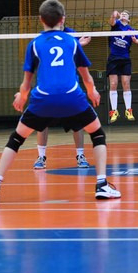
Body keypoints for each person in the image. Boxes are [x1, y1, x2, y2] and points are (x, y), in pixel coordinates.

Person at [0, 0, 121, 202]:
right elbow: (86, 77)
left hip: (42, 101)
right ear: (63, 19)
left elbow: (27, 82)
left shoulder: (34, 44)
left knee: (16, 139)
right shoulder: (72, 42)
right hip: (72, 99)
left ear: (41, 20)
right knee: (97, 134)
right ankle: (101, 185)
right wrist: (93, 92)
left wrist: (21, 97)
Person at [33, 26, 92, 170]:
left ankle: (80, 155)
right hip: (48, 86)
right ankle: (41, 157)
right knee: (42, 122)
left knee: (77, 122)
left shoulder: (71, 34)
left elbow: (77, 58)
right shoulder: (43, 37)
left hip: (69, 86)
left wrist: (79, 45)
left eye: (63, 16)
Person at [106, 10, 138, 123]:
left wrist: (137, 41)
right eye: (122, 13)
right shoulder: (116, 24)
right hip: (113, 59)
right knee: (113, 84)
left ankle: (128, 110)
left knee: (126, 83)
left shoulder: (131, 30)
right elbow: (111, 21)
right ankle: (114, 111)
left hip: (125, 59)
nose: (123, 14)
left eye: (126, 14)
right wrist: (114, 15)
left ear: (129, 19)